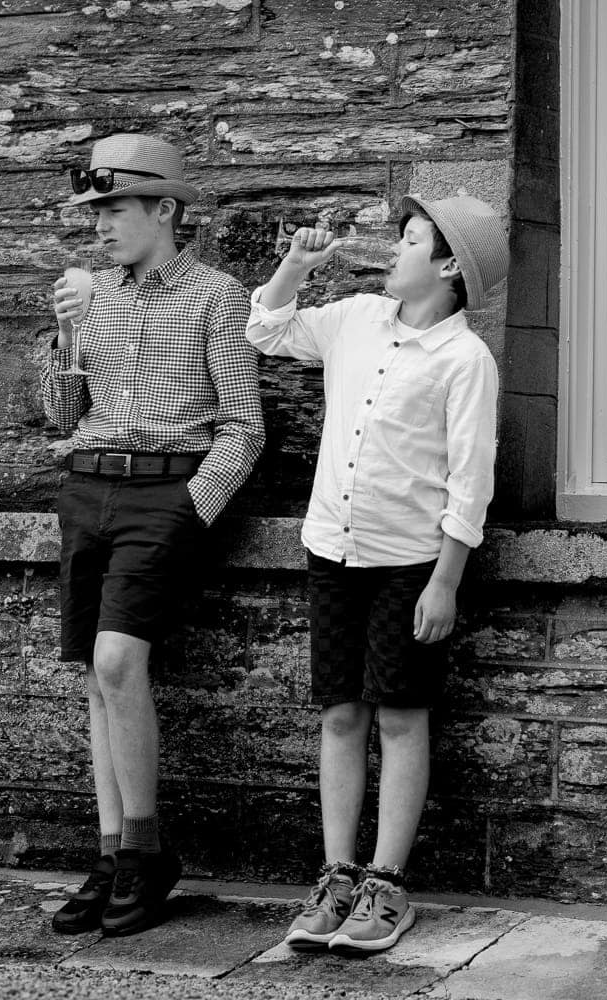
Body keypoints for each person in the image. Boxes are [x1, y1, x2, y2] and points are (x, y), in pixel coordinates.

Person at [245, 194, 507, 953]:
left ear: (449, 266)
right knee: (339, 713)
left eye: (411, 239)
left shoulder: (466, 360)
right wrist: (295, 264)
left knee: (400, 716)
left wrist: (446, 580)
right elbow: (268, 328)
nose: (394, 248)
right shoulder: (356, 318)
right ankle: (336, 875)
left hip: (410, 565)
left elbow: (471, 480)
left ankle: (387, 886)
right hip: (333, 548)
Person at [40, 133, 264, 938]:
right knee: (95, 681)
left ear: (165, 209)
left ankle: (147, 852)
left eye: (114, 209)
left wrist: (190, 507)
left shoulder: (217, 295)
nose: (99, 226)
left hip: (164, 493)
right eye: (94, 211)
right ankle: (110, 855)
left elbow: (244, 428)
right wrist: (67, 338)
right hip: (88, 487)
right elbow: (62, 418)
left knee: (117, 660)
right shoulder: (91, 292)